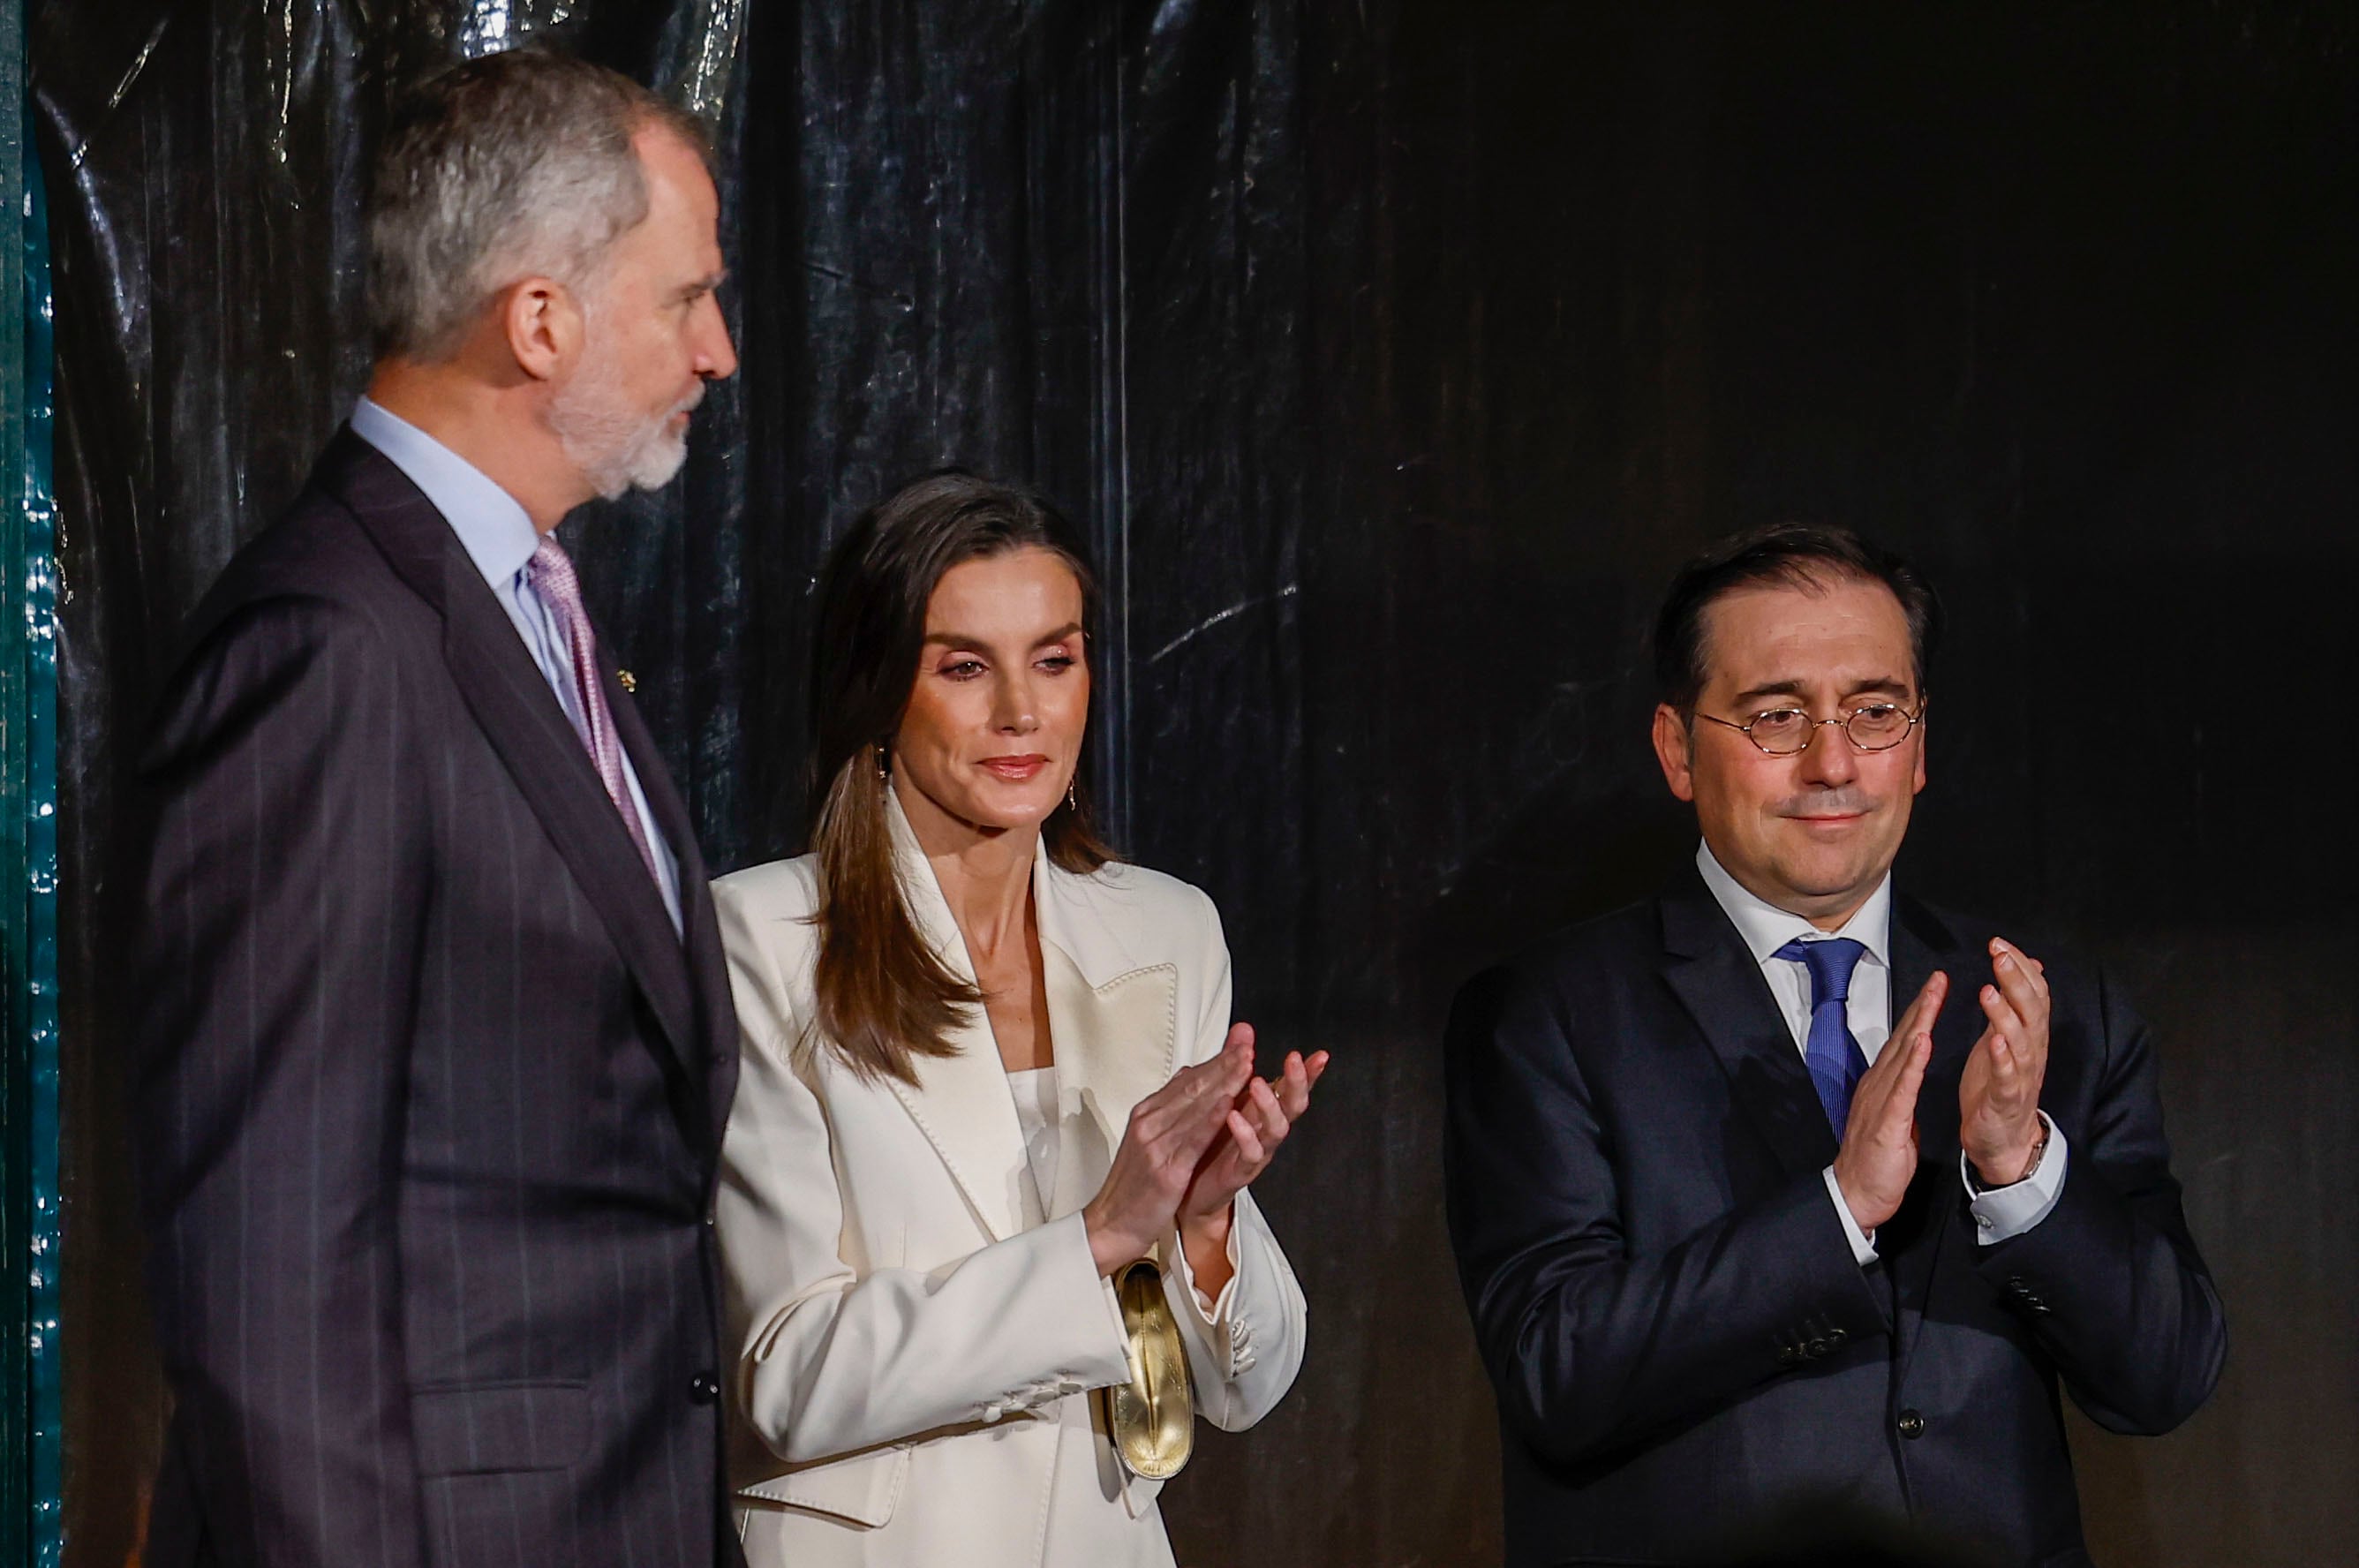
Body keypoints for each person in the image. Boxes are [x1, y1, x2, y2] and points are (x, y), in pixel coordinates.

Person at [124, 52, 743, 1567]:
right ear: (539, 320)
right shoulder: (329, 646)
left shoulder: (523, 606)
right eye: (685, 298)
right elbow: (265, 1270)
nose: (718, 350)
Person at [1443, 524, 2226, 1567]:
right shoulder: (1546, 1015)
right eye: (1776, 717)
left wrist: (2019, 1170)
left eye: (1872, 712)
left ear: (1919, 741)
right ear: (1676, 749)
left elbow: (2164, 1376)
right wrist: (1836, 1208)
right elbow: (1556, 1372)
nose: (1833, 762)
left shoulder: (2041, 1005)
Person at [712, 471, 1320, 1566]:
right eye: (962, 666)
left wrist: (1204, 1224)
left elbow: (1242, 1390)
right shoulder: (761, 939)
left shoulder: (1164, 930)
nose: (1021, 714)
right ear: (879, 688)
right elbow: (787, 1378)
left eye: (1054, 658)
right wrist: (1098, 1236)